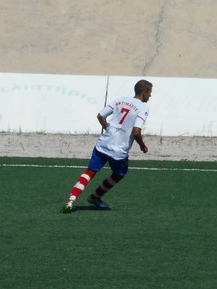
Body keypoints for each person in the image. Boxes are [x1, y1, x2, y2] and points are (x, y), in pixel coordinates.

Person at [61, 79, 151, 213]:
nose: (150, 96)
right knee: (119, 173)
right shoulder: (143, 108)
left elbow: (100, 116)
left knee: (90, 171)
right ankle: (95, 197)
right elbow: (136, 132)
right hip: (119, 150)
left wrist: (108, 128)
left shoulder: (120, 100)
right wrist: (142, 146)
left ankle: (70, 201)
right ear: (144, 92)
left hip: (103, 143)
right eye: (150, 93)